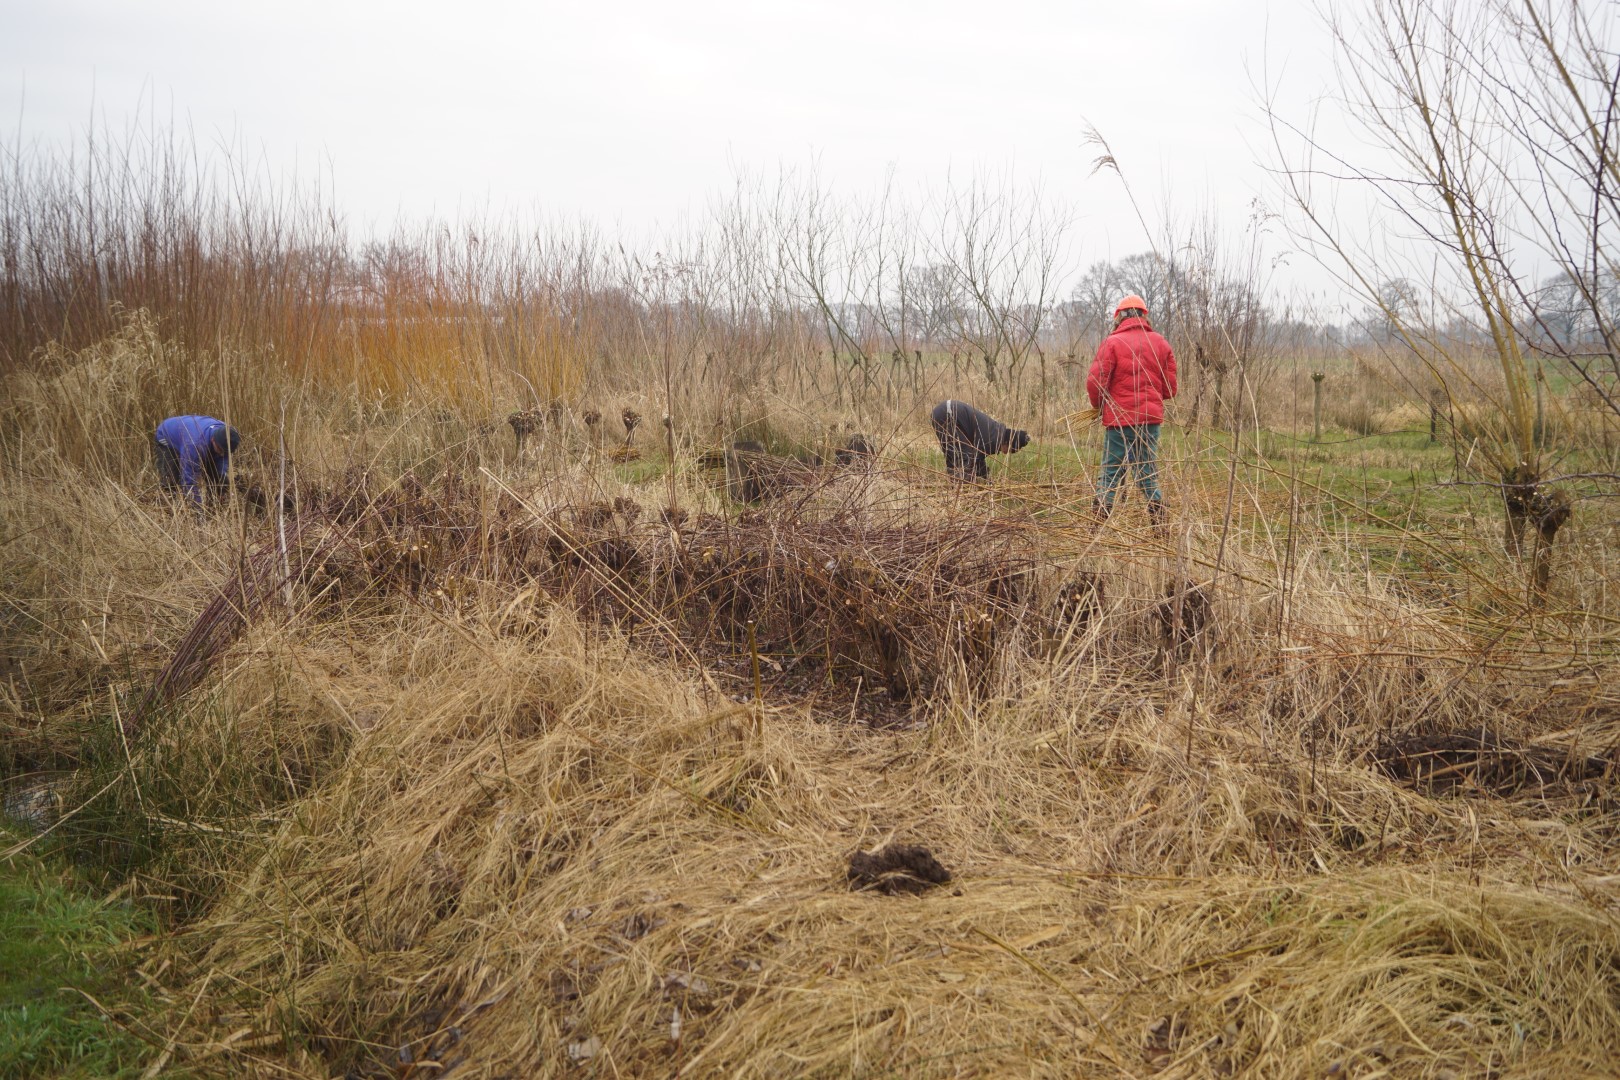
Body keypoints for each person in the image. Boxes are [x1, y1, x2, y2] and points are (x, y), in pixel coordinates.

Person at [1086, 294, 1177, 524]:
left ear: (1119, 317)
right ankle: (1160, 526)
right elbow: (1169, 389)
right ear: (1144, 315)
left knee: (1110, 474)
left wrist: (1098, 406)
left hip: (1118, 421)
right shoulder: (1161, 343)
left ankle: (1096, 528)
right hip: (1150, 421)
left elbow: (1096, 383)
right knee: (1147, 474)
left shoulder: (1112, 343)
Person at [929, 400, 1030, 481]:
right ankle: (959, 488)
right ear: (1008, 442)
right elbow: (975, 457)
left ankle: (953, 485)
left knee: (955, 453)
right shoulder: (993, 438)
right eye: (1009, 450)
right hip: (948, 414)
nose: (1005, 453)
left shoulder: (995, 431)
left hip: (943, 412)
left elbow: (978, 457)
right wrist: (986, 478)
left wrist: (985, 477)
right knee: (965, 459)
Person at [153, 415, 240, 504]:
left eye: (225, 452)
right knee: (172, 480)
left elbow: (222, 463)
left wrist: (220, 481)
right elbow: (189, 479)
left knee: (219, 478)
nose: (222, 454)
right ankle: (169, 506)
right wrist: (198, 507)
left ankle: (213, 504)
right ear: (213, 440)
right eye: (220, 450)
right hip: (167, 436)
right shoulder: (194, 445)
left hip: (193, 436)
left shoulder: (227, 435)